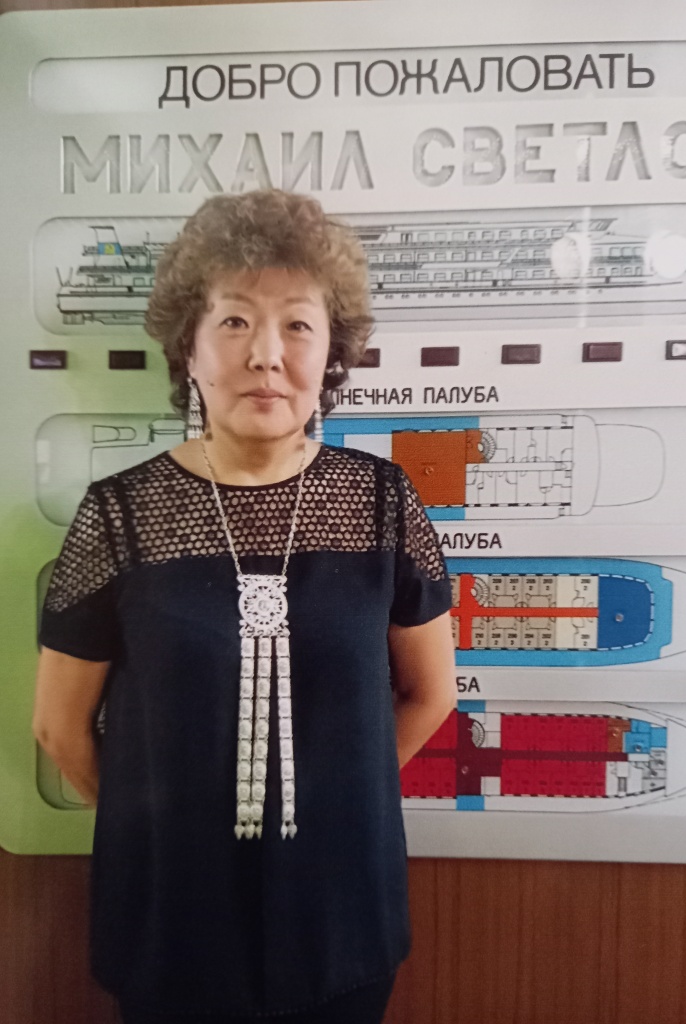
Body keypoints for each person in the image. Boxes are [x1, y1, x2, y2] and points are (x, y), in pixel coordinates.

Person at [33, 188, 456, 1024]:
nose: (266, 355)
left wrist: (342, 803)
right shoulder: (121, 515)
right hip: (171, 927)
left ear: (331, 351)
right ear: (188, 348)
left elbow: (430, 693)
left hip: (341, 921)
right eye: (234, 321)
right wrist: (162, 830)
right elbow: (59, 728)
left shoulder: (382, 503)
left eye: (297, 324)